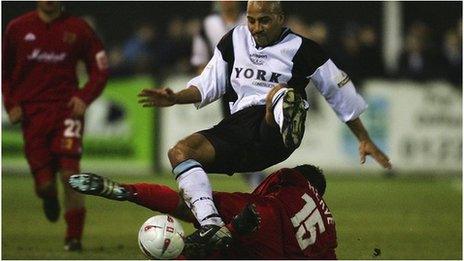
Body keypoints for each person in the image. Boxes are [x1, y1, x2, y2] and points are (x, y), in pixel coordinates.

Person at [138, 0, 391, 249]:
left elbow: (340, 94)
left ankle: (285, 112)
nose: (256, 27)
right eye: (251, 20)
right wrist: (175, 98)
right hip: (241, 132)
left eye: (264, 20)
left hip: (275, 134)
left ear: (281, 19)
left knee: (278, 94)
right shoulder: (234, 40)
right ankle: (211, 226)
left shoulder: (303, 49)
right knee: (180, 153)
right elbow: (207, 85)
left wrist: (364, 137)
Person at [2, 1, 109, 251]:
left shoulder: (78, 28)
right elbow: (3, 71)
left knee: (70, 175)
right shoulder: (17, 28)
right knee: (46, 186)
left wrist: (84, 96)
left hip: (66, 110)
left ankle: (73, 238)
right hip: (32, 114)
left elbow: (100, 68)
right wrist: (11, 103)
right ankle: (48, 196)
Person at [68, 164, 337, 259]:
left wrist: (128, 192)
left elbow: (183, 205)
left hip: (261, 231)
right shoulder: (326, 225)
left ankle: (125, 191)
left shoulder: (281, 196)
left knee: (199, 216)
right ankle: (220, 236)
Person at [191, 0, 265, 189]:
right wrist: (205, 83)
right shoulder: (208, 24)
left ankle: (257, 177)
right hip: (225, 88)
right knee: (238, 135)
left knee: (251, 133)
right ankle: (255, 178)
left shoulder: (251, 20)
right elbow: (200, 58)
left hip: (251, 85)